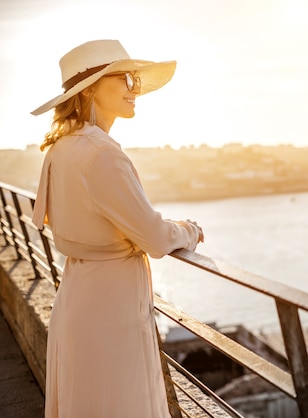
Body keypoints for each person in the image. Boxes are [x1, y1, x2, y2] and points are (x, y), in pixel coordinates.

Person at [31, 39, 204, 418]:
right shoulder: (103, 153)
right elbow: (156, 238)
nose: (134, 89)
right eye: (126, 78)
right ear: (91, 88)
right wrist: (188, 230)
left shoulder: (61, 149)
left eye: (136, 81)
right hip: (110, 316)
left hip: (78, 302)